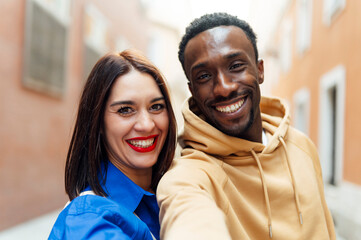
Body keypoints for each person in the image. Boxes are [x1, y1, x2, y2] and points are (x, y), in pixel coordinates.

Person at [156, 12, 336, 240]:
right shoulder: (189, 174)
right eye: (204, 76)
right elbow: (188, 216)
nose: (224, 88)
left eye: (236, 65)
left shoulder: (301, 145)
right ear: (192, 91)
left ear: (260, 70)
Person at [48, 49, 177, 240]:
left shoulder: (175, 193)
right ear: (98, 122)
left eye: (156, 107)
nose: (147, 124)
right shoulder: (88, 220)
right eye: (126, 110)